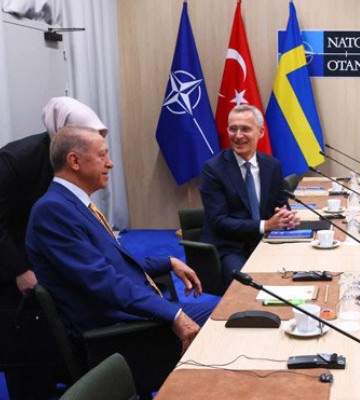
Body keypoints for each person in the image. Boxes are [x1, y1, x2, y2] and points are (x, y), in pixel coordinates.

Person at [25, 126, 216, 390]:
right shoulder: (53, 211)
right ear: (74, 161)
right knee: (225, 319)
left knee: (233, 314)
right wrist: (173, 314)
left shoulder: (72, 204)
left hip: (128, 313)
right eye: (102, 155)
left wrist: (168, 262)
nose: (110, 163)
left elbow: (113, 262)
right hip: (115, 332)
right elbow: (103, 280)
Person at [0, 97, 107, 399]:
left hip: (44, 256)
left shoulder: (73, 161)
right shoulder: (15, 160)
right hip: (10, 262)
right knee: (24, 342)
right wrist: (19, 269)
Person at [200, 104, 299, 288]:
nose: (238, 136)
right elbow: (219, 221)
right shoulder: (213, 169)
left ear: (261, 132)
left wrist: (286, 217)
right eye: (233, 129)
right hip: (229, 246)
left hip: (266, 241)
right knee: (243, 288)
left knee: (298, 273)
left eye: (245, 129)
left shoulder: (272, 165)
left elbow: (280, 205)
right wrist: (265, 225)